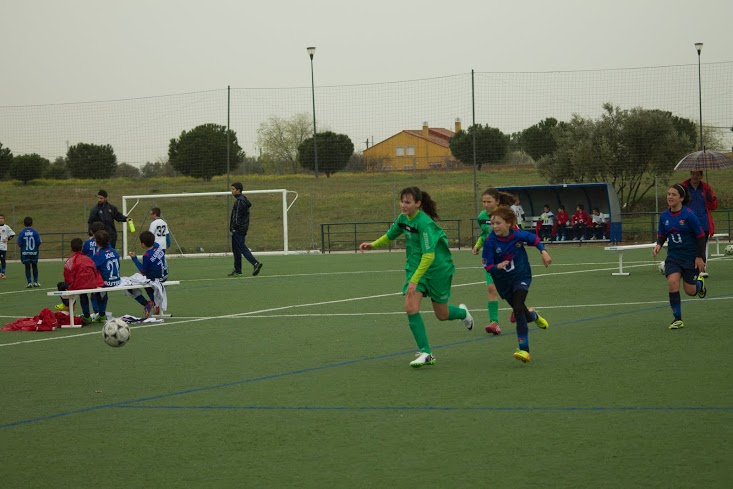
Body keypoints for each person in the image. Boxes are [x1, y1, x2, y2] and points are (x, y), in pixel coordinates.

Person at [360, 186, 474, 368]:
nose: (403, 205)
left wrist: (414, 281)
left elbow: (429, 256)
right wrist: (373, 245)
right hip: (416, 268)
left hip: (438, 269)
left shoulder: (424, 223)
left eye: (408, 202)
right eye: (402, 201)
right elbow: (390, 235)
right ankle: (426, 352)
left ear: (418, 204)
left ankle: (462, 313)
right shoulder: (402, 219)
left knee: (442, 314)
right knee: (410, 307)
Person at [482, 206, 551, 363]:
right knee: (521, 311)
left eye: (498, 223)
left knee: (518, 308)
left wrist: (543, 251)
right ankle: (533, 316)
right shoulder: (490, 241)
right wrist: (497, 266)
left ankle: (524, 350)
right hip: (503, 283)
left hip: (521, 275)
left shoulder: (517, 235)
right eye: (492, 223)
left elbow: (534, 239)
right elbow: (487, 265)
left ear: (508, 223)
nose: (494, 227)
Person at [653, 184, 707, 330]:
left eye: (674, 194)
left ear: (681, 198)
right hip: (674, 257)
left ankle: (699, 284)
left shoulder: (689, 215)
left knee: (690, 291)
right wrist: (659, 244)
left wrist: (699, 257)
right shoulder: (664, 216)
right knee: (672, 282)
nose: (670, 197)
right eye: (668, 194)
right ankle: (677, 319)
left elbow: (700, 237)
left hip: (690, 257)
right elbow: (662, 234)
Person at [472, 187, 515, 336]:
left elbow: (515, 234)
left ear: (497, 201)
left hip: (506, 257)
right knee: (491, 288)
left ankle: (517, 309)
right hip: (490, 258)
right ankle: (494, 323)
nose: (486, 204)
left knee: (510, 288)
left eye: (489, 201)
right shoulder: (482, 216)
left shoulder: (506, 215)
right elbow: (484, 234)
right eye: (483, 201)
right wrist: (478, 245)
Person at [680, 170, 718, 277]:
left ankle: (701, 270)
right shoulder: (683, 188)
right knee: (688, 246)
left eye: (697, 174)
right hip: (688, 223)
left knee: (701, 247)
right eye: (693, 174)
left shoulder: (706, 188)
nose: (695, 176)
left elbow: (713, 207)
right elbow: (677, 203)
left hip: (703, 223)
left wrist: (711, 199)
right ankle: (687, 269)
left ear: (701, 176)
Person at [56, 237, 103, 322]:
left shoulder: (70, 261)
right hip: (92, 284)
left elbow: (68, 277)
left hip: (79, 285)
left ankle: (68, 305)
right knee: (83, 291)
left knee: (61, 285)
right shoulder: (88, 259)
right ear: (82, 248)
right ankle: (90, 314)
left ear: (71, 248)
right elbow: (95, 271)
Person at [129, 230, 169, 317]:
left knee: (132, 282)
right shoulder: (158, 246)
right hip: (165, 276)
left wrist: (134, 259)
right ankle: (155, 304)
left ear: (143, 244)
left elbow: (143, 270)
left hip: (156, 279)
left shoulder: (147, 256)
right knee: (146, 278)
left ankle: (152, 303)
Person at [229, 182, 263, 277]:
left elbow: (237, 217)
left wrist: (234, 228)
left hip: (238, 229)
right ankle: (238, 270)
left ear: (238, 190)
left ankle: (255, 263)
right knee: (236, 250)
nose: (231, 191)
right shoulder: (242, 200)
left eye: (233, 189)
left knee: (241, 247)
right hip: (241, 228)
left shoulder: (240, 201)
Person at [91, 230, 122, 322]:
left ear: (96, 242)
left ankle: (100, 313)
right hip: (117, 280)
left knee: (95, 293)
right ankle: (100, 313)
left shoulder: (98, 255)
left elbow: (94, 269)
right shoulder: (114, 251)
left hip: (106, 282)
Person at [17, 216, 42, 288]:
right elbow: (39, 242)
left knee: (27, 267)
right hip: (34, 252)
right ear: (32, 223)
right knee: (34, 266)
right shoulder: (35, 232)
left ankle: (29, 283)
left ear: (24, 224)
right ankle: (36, 282)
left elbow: (19, 243)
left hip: (25, 253)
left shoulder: (22, 233)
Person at [0, 213, 16, 279]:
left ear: (4, 219)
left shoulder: (6, 227)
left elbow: (13, 234)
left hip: (3, 246)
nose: (0, 219)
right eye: (0, 218)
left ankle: (3, 273)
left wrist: (7, 239)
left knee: (2, 260)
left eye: (2, 218)